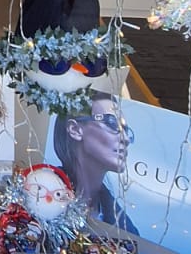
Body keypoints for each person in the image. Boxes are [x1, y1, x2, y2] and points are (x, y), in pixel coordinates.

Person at [51, 100, 138, 234]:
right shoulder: (38, 194)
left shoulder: (127, 231)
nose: (125, 138)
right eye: (112, 123)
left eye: (126, 130)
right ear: (75, 129)